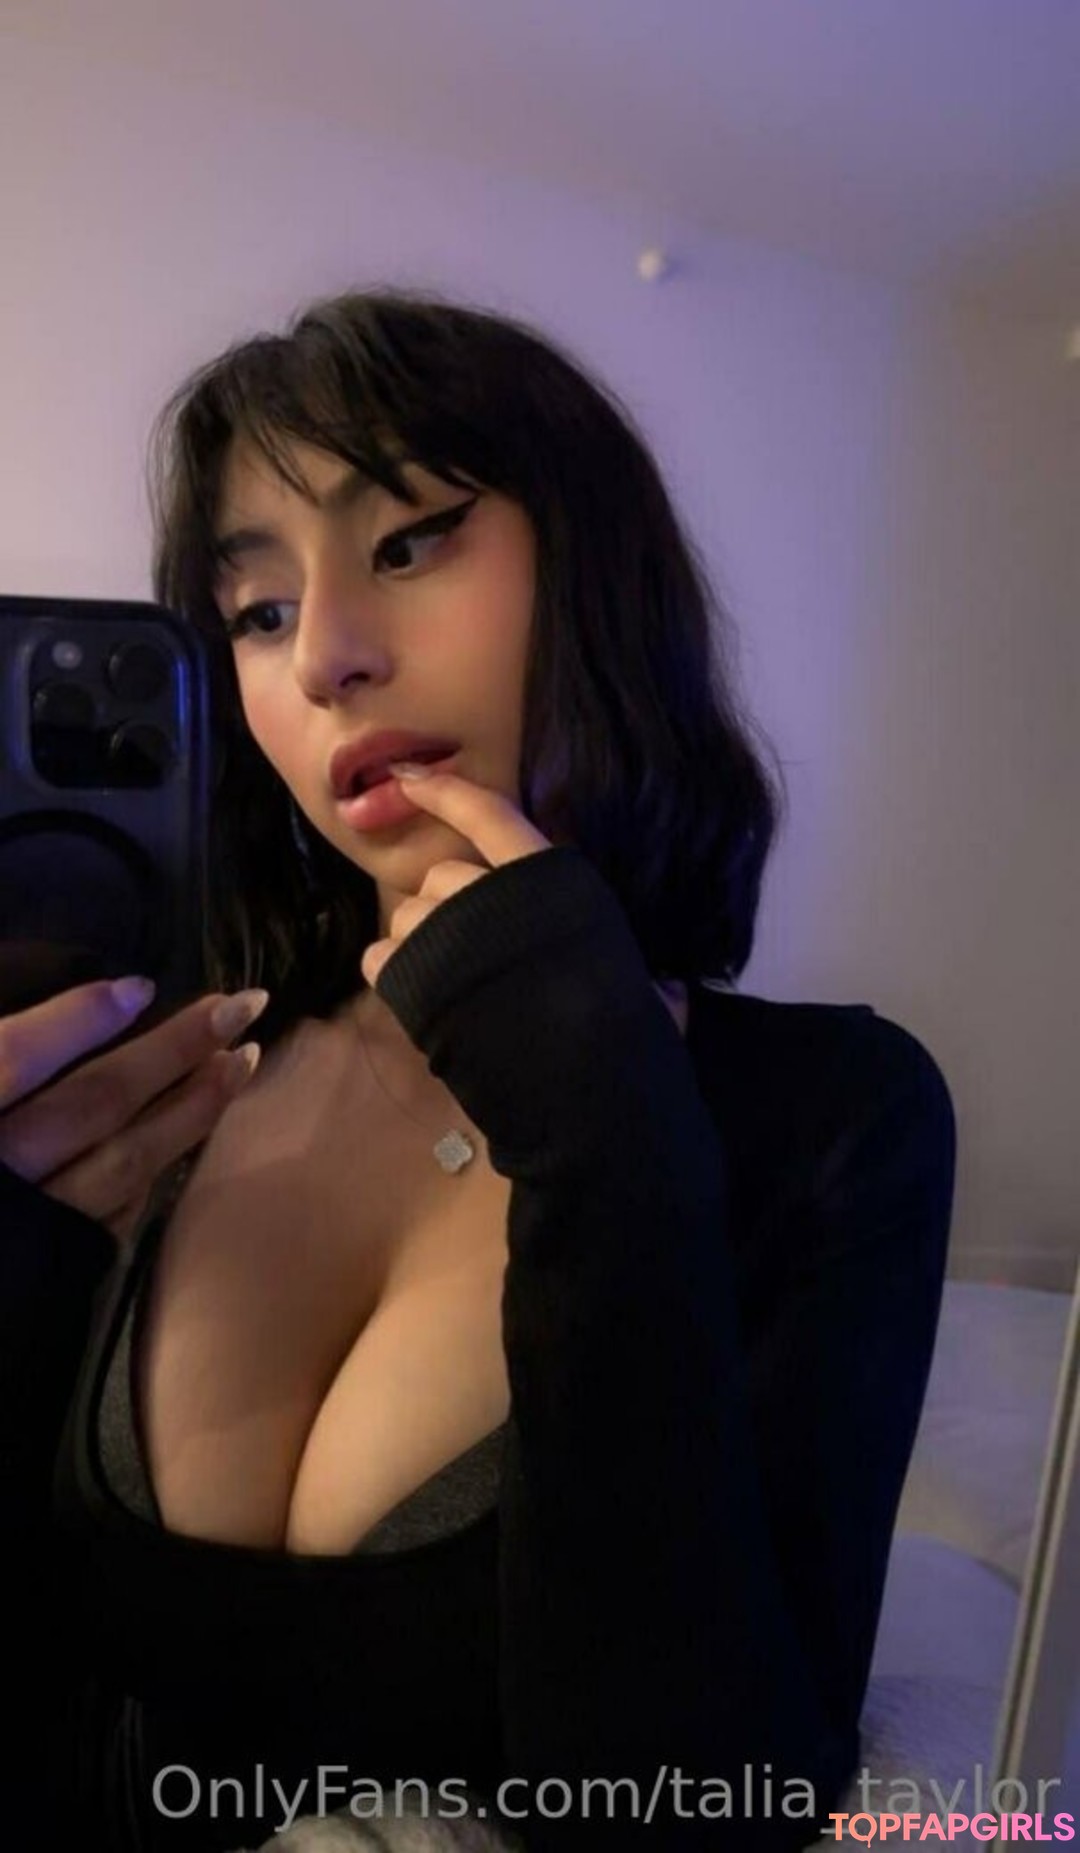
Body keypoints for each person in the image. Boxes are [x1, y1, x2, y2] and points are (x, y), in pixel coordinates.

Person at [0, 287, 957, 1851]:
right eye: (256, 611)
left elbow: (714, 1803)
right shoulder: (167, 1076)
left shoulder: (840, 1116)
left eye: (408, 542)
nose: (326, 658)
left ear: (596, 573)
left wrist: (601, 1123)